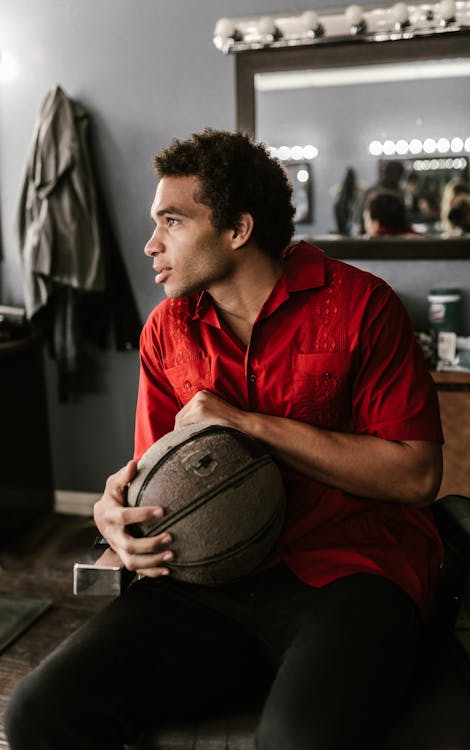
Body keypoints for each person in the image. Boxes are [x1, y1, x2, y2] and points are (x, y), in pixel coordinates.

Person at [4, 129, 444, 750]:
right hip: (207, 581)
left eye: (172, 222)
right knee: (38, 714)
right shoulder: (166, 330)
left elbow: (417, 476)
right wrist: (115, 515)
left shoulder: (361, 306)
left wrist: (246, 421)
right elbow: (159, 471)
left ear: (237, 230)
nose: (151, 244)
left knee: (297, 739)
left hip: (351, 573)